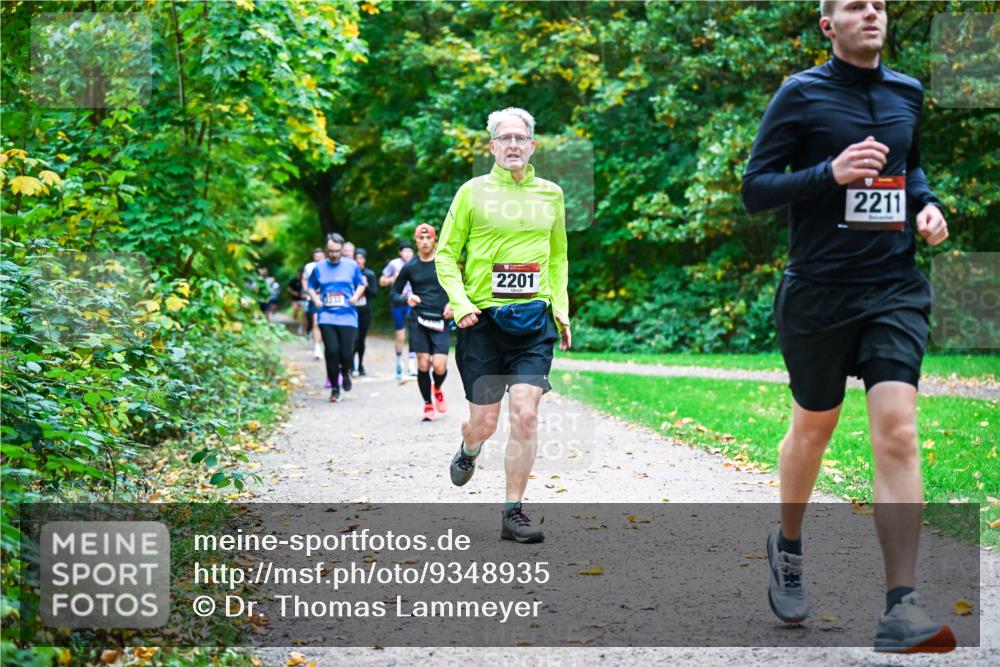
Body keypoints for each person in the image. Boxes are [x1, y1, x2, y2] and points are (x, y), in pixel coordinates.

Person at [742, 0, 952, 653]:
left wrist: (926, 205)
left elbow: (910, 166)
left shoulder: (906, 92)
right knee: (814, 428)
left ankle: (901, 604)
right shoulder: (800, 94)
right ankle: (789, 543)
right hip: (818, 292)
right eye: (856, 6)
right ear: (828, 25)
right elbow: (755, 188)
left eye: (879, 4)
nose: (872, 13)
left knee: (898, 429)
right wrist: (827, 174)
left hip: (893, 286)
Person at [437, 107, 570, 544]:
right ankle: (469, 446)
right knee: (485, 423)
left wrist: (561, 308)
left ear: (532, 146)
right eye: (505, 138)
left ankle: (513, 512)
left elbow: (558, 257)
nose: (513, 144)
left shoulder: (551, 194)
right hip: (481, 321)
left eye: (520, 138)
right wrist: (460, 304)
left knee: (526, 414)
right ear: (492, 146)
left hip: (533, 320)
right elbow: (446, 255)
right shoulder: (471, 192)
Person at [390, 224, 453, 421]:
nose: (425, 242)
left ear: (435, 240)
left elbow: (458, 286)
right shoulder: (410, 267)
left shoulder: (444, 263)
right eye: (421, 238)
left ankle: (437, 387)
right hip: (418, 319)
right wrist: (407, 299)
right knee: (423, 362)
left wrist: (452, 303)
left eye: (428, 238)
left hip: (441, 319)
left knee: (440, 366)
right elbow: (393, 294)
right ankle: (427, 404)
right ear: (416, 241)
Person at [306, 234, 366, 403]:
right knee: (332, 351)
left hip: (348, 315)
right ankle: (334, 388)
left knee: (347, 353)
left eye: (337, 251)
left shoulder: (351, 265)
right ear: (327, 250)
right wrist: (316, 299)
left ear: (342, 249)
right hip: (327, 316)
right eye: (331, 251)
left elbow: (361, 283)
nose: (334, 254)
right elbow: (311, 286)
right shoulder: (319, 267)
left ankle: (345, 372)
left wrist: (355, 296)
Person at [380, 242, 418, 379]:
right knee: (400, 336)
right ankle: (399, 362)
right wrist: (392, 279)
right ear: (400, 253)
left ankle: (412, 364)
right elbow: (382, 281)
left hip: (413, 302)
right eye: (404, 251)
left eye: (409, 251)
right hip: (398, 303)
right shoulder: (394, 264)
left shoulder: (417, 263)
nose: (407, 254)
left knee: (414, 333)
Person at [353, 248, 377, 377]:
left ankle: (360, 365)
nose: (358, 260)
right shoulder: (350, 274)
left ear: (364, 260)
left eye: (361, 258)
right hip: (351, 311)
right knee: (353, 339)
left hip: (364, 311)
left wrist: (366, 286)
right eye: (356, 258)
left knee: (361, 339)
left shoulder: (369, 274)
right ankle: (350, 365)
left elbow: (374, 293)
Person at [302, 247, 326, 359]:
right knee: (316, 320)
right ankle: (317, 347)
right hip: (314, 298)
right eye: (316, 257)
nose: (318, 259)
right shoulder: (309, 267)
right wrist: (308, 290)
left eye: (320, 257)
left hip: (328, 298)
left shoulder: (330, 266)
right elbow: (304, 279)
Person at [287, 269, 306, 335]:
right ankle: (295, 322)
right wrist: (294, 293)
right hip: (295, 299)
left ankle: (301, 325)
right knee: (295, 310)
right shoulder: (294, 280)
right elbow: (289, 288)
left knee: (304, 313)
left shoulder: (304, 281)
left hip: (303, 299)